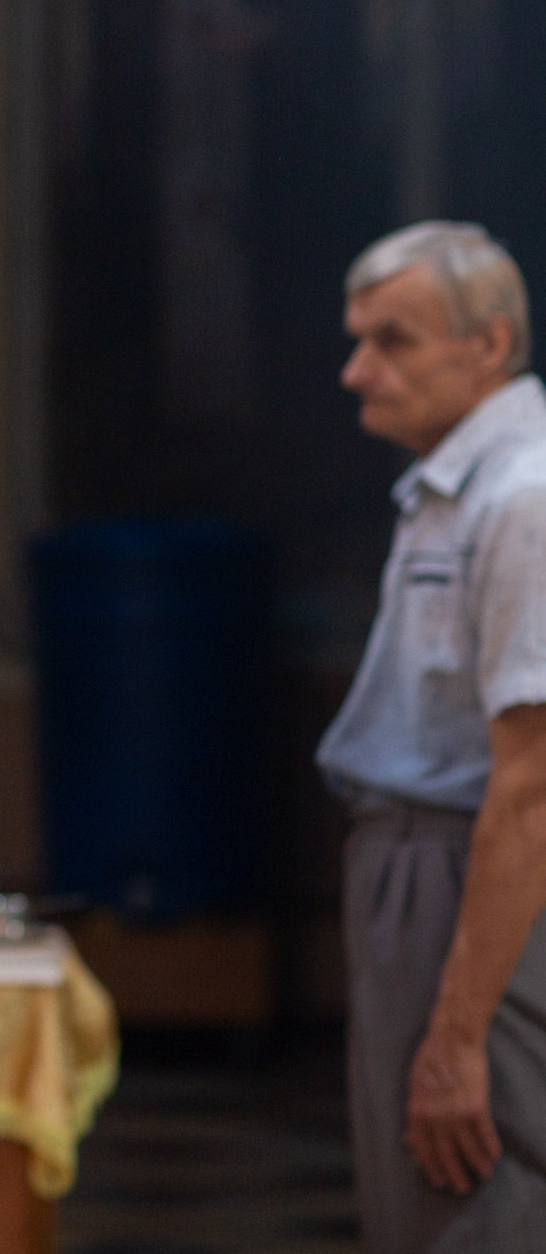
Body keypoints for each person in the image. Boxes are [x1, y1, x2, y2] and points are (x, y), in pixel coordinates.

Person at [319, 221, 546, 1252]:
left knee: (468, 1202)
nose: (356, 371)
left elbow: (529, 790)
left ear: (489, 345)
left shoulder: (523, 495)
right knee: (418, 1208)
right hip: (418, 867)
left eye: (394, 340)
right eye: (358, 338)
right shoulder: (451, 484)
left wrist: (456, 1035)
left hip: (473, 877)